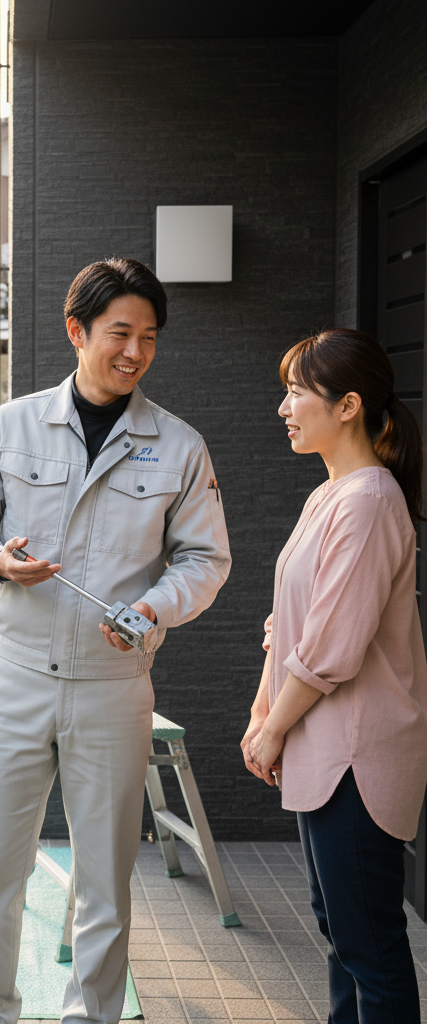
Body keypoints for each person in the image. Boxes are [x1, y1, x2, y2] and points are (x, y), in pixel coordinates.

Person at [0, 257, 231, 1024]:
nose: (135, 351)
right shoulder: (10, 425)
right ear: (78, 332)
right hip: (15, 681)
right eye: (119, 333)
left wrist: (155, 606)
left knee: (105, 879)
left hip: (114, 686)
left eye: (149, 337)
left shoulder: (179, 445)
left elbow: (207, 558)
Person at [243, 328, 427, 1023]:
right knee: (341, 934)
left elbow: (332, 650)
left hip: (359, 755)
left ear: (348, 405)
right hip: (322, 749)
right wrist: (263, 717)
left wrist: (272, 730)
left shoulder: (369, 499)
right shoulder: (330, 495)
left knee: (367, 945)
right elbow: (286, 628)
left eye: (296, 392)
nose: (285, 407)